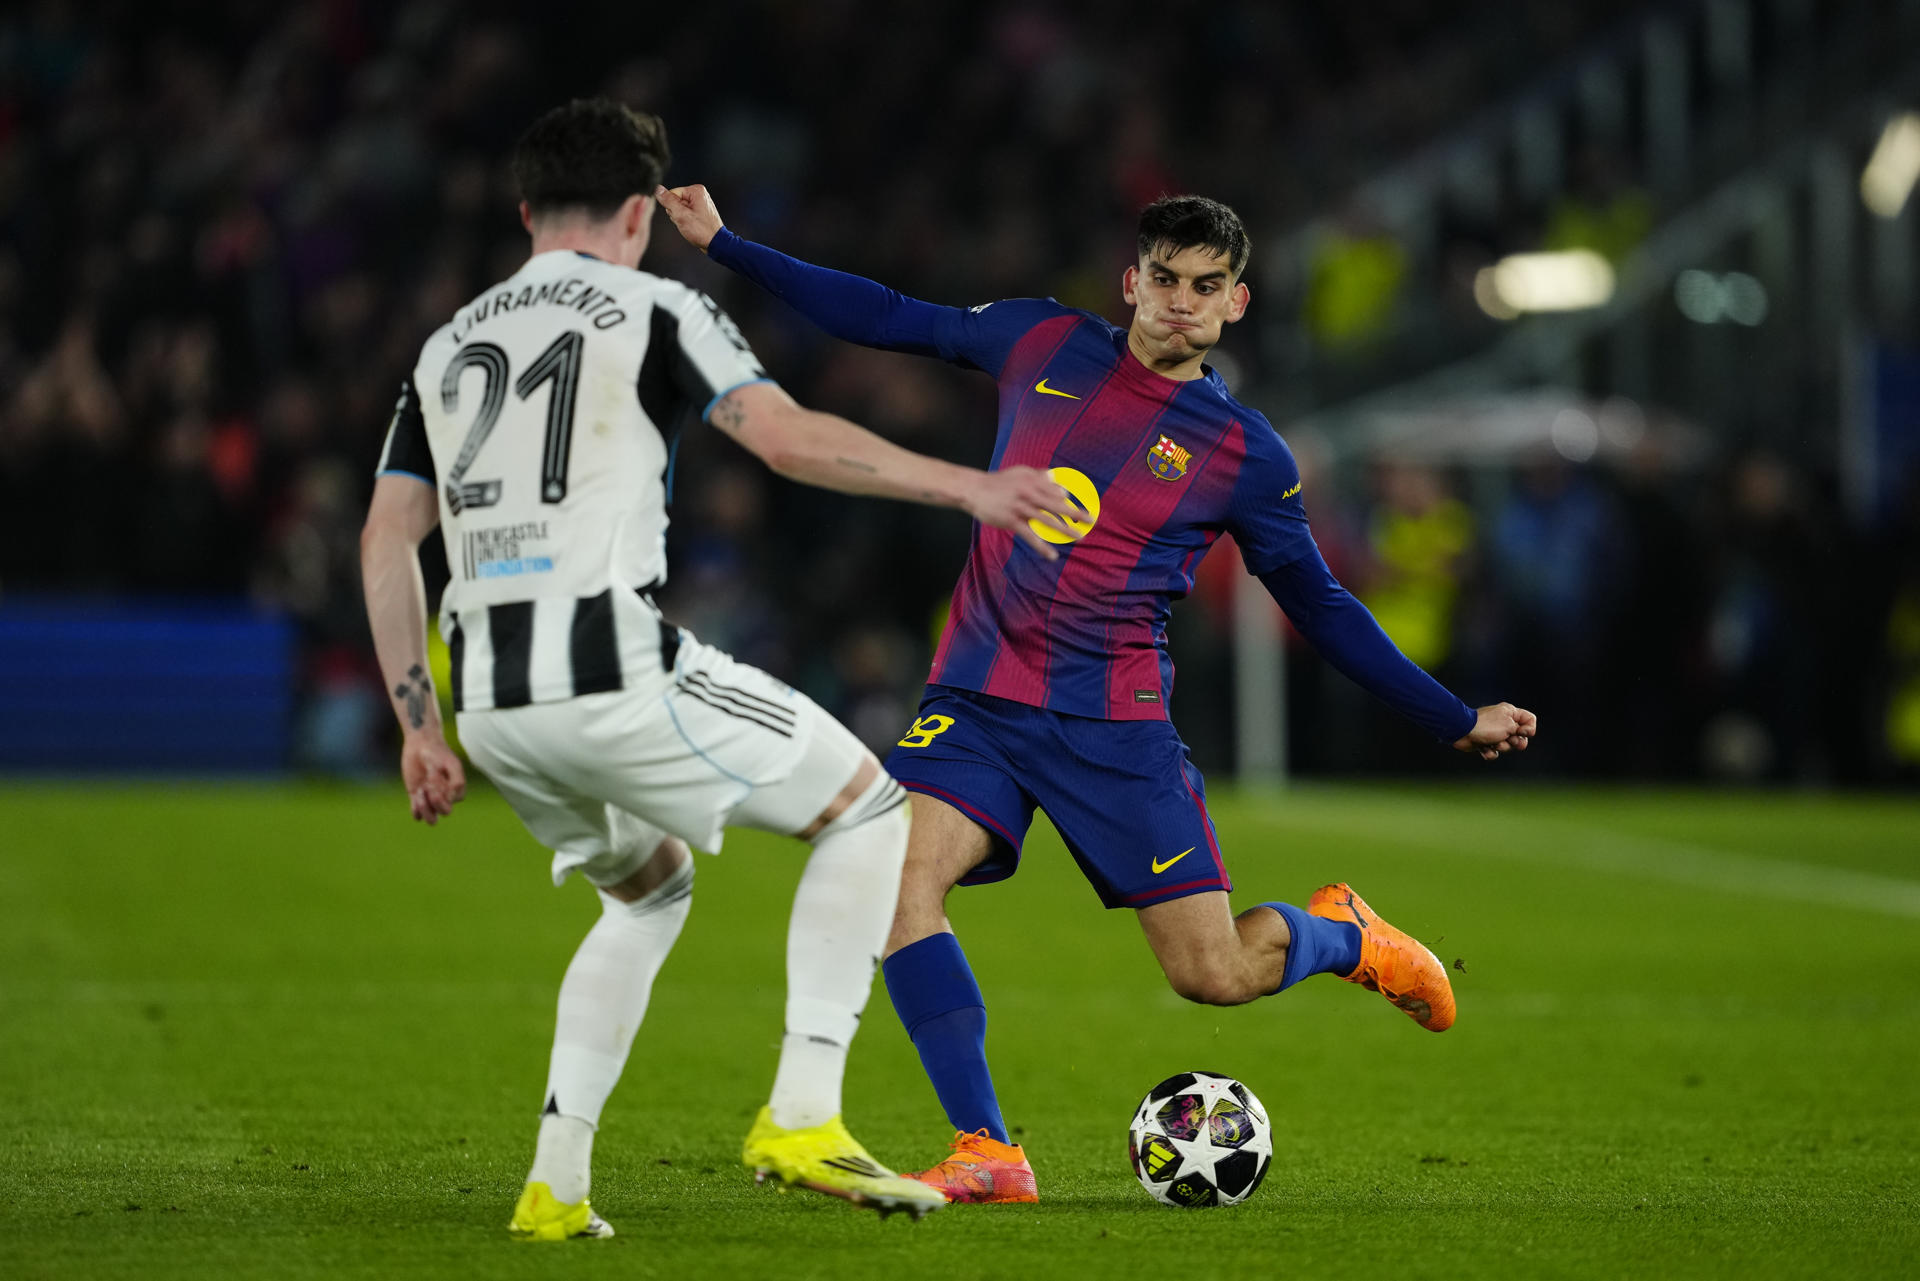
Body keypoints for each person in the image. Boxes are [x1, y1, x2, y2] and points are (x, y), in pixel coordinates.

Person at [656, 183, 1537, 1204]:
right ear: (1132, 282)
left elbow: (1324, 607)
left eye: (1206, 288)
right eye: (1163, 280)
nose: (1179, 303)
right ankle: (985, 1147)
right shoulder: (1040, 341)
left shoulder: (1247, 455)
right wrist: (727, 245)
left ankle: (1342, 936)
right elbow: (892, 315)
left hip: (1112, 730)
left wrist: (1452, 716)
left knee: (1210, 975)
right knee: (892, 889)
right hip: (975, 702)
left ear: (1235, 305)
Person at [358, 99, 1077, 1239]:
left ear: (527, 209)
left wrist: (416, 723)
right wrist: (972, 487)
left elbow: (387, 538)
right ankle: (804, 1113)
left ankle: (556, 1184)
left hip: (487, 702)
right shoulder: (656, 308)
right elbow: (784, 440)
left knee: (647, 890)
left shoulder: (449, 344)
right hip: (609, 667)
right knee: (873, 812)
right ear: (641, 211)